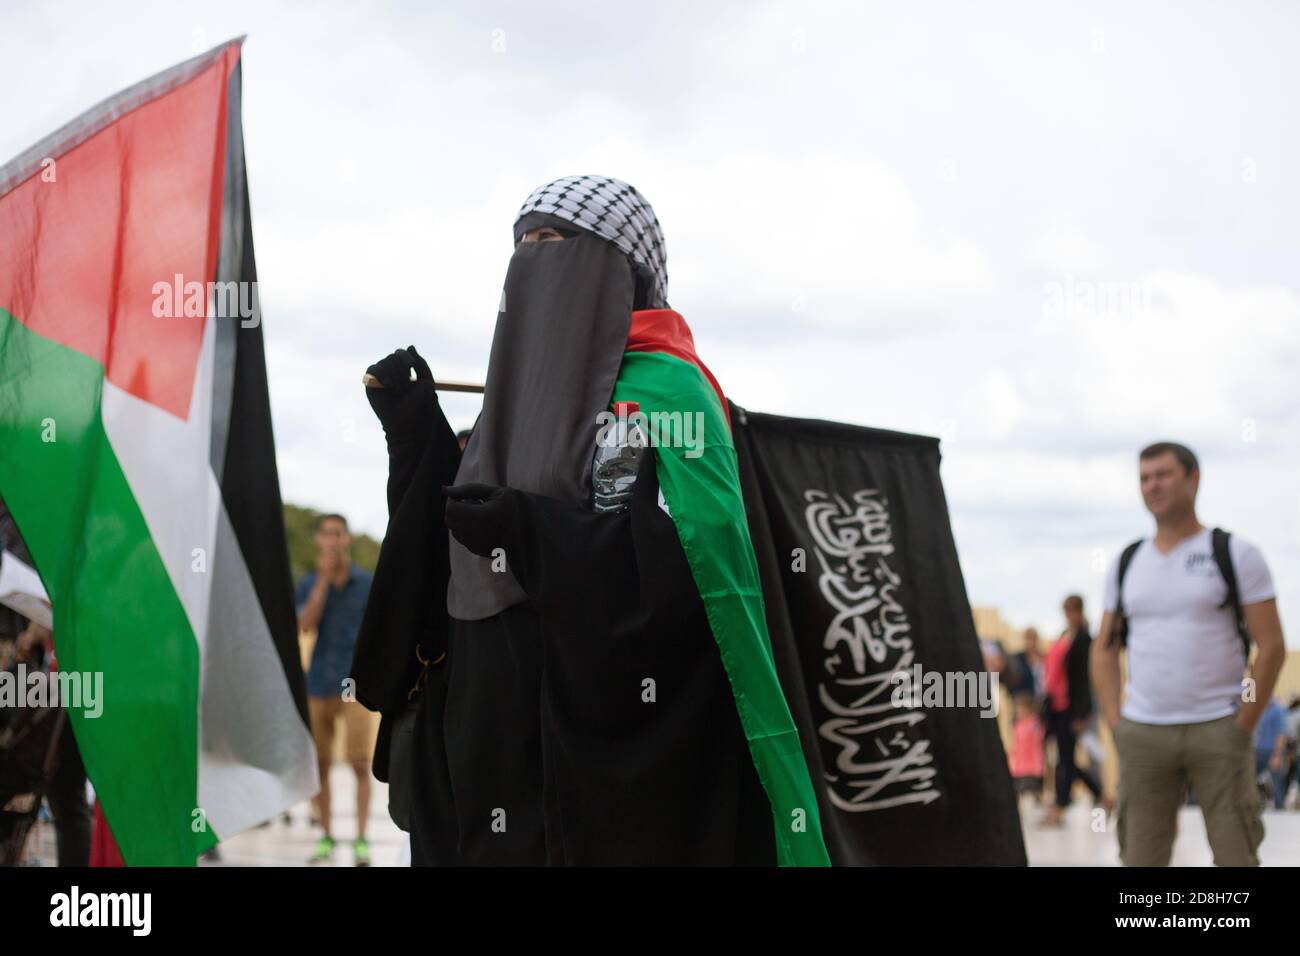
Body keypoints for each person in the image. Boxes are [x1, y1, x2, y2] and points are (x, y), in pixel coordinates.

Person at [350, 175, 828, 866]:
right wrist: (415, 435)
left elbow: (694, 577)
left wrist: (535, 532)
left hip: (604, 736)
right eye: (524, 246)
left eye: (555, 243)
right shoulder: (510, 394)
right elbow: (451, 551)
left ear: (621, 268)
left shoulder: (669, 389)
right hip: (487, 719)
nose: (534, 261)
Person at [1091, 442, 1285, 866]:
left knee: (1237, 855)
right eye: (1144, 478)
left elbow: (1269, 649)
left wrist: (1243, 720)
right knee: (1140, 857)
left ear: (1193, 478)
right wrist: (1116, 723)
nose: (1152, 485)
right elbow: (1103, 652)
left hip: (1219, 727)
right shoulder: (1127, 561)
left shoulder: (1234, 553)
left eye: (1163, 474)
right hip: (1144, 731)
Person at [295, 513, 375, 865]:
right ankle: (326, 835)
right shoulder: (310, 583)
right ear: (318, 540)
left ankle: (360, 839)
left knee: (360, 763)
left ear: (347, 539)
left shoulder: (367, 583)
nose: (331, 540)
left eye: (337, 534)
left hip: (354, 684)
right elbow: (305, 626)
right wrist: (322, 583)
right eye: (325, 534)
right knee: (321, 765)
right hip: (319, 683)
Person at [1039, 595, 1105, 826]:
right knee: (1065, 758)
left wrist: (1081, 713)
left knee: (1065, 759)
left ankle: (1060, 807)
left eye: (1072, 609)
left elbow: (1083, 679)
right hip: (1056, 706)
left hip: (1071, 708)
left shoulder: (1084, 638)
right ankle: (1100, 794)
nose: (1069, 613)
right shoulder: (1063, 636)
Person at [1253, 697, 1289, 811]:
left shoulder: (1277, 710)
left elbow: (1282, 734)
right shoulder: (1257, 707)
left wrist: (1277, 755)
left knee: (1277, 785)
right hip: (1256, 751)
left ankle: (1280, 809)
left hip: (1271, 752)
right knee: (1248, 783)